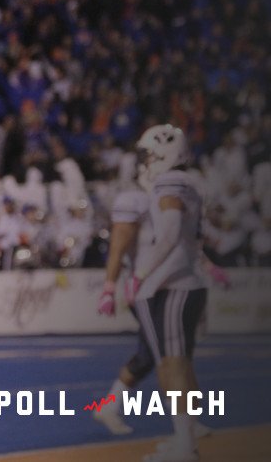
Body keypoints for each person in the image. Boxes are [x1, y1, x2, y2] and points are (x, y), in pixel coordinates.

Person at [94, 161, 211, 440]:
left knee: (169, 356)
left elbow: (182, 242)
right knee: (165, 358)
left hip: (169, 284)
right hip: (146, 287)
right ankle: (183, 431)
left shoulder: (170, 193)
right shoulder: (136, 199)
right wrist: (109, 286)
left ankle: (114, 408)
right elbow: (118, 246)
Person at [131, 125, 208, 462]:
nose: (146, 162)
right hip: (187, 281)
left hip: (175, 284)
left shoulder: (170, 183)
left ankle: (184, 446)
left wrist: (143, 273)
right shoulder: (188, 182)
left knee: (172, 365)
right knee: (179, 364)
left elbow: (172, 232)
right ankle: (186, 438)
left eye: (149, 154)